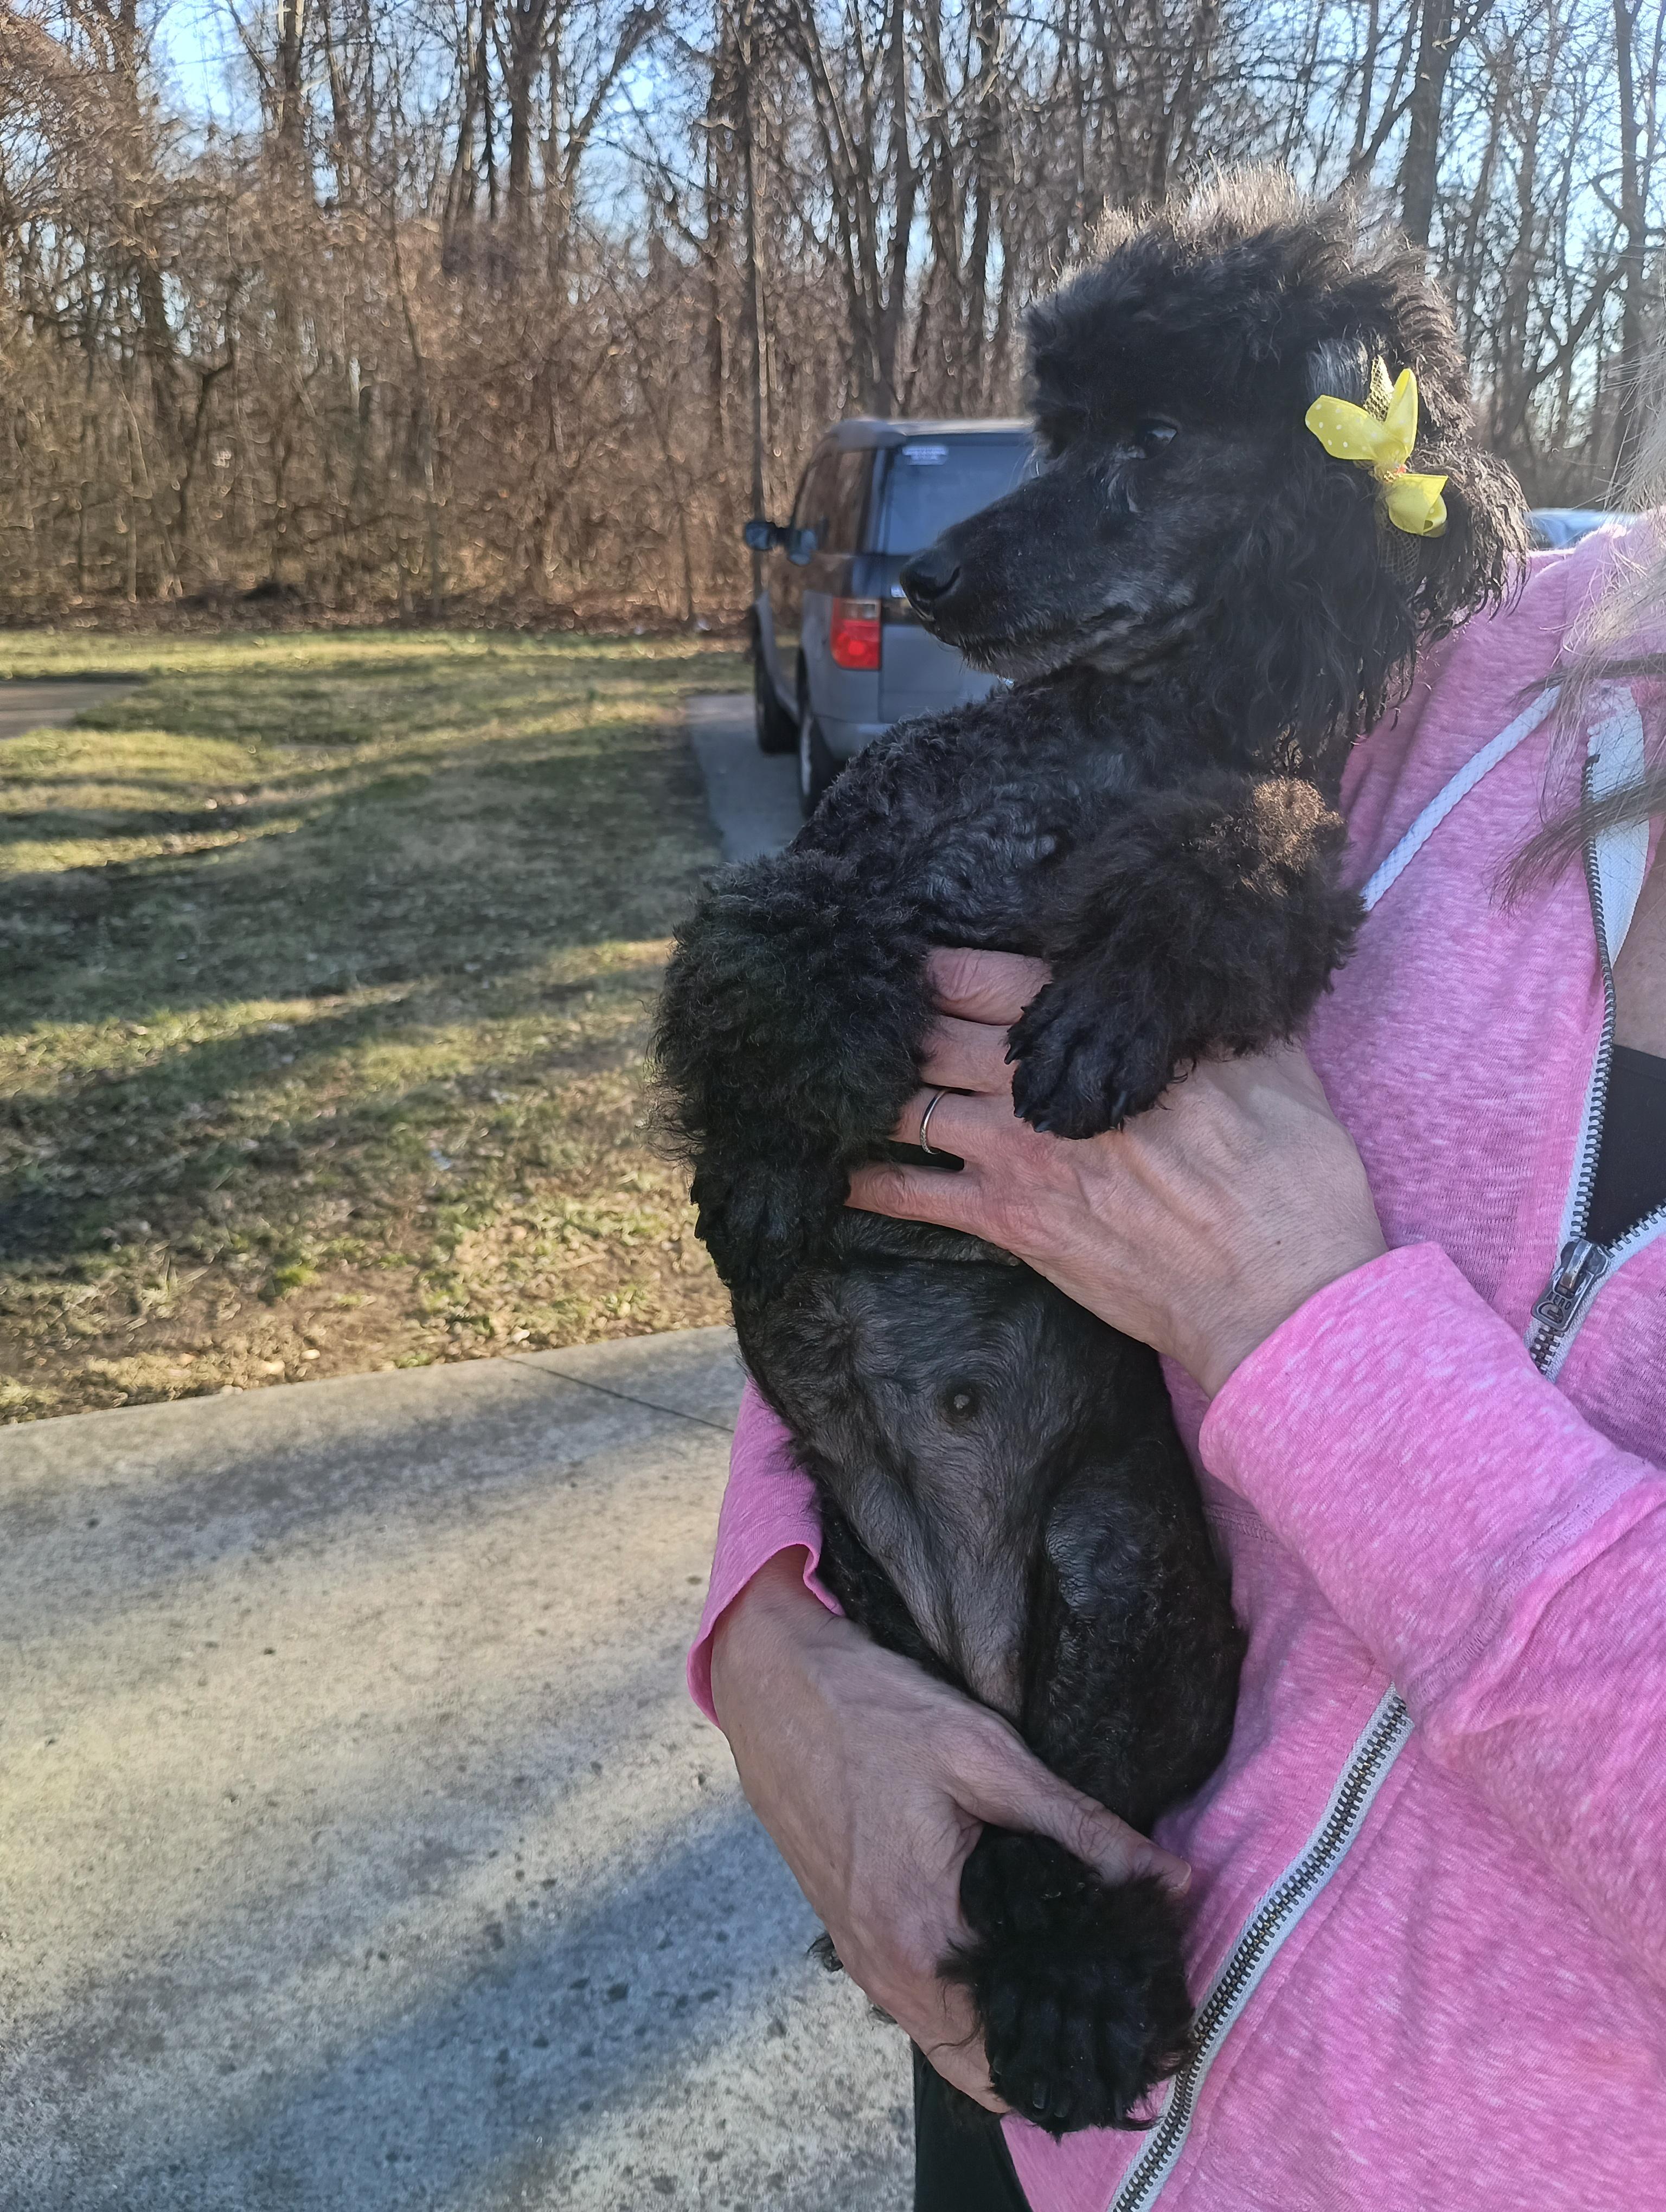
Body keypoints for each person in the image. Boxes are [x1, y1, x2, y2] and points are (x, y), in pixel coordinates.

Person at [685, 421, 1666, 2209]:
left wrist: (1309, 1330)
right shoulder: (1447, 666)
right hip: (1028, 2050)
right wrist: (785, 1658)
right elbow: (924, 1162)